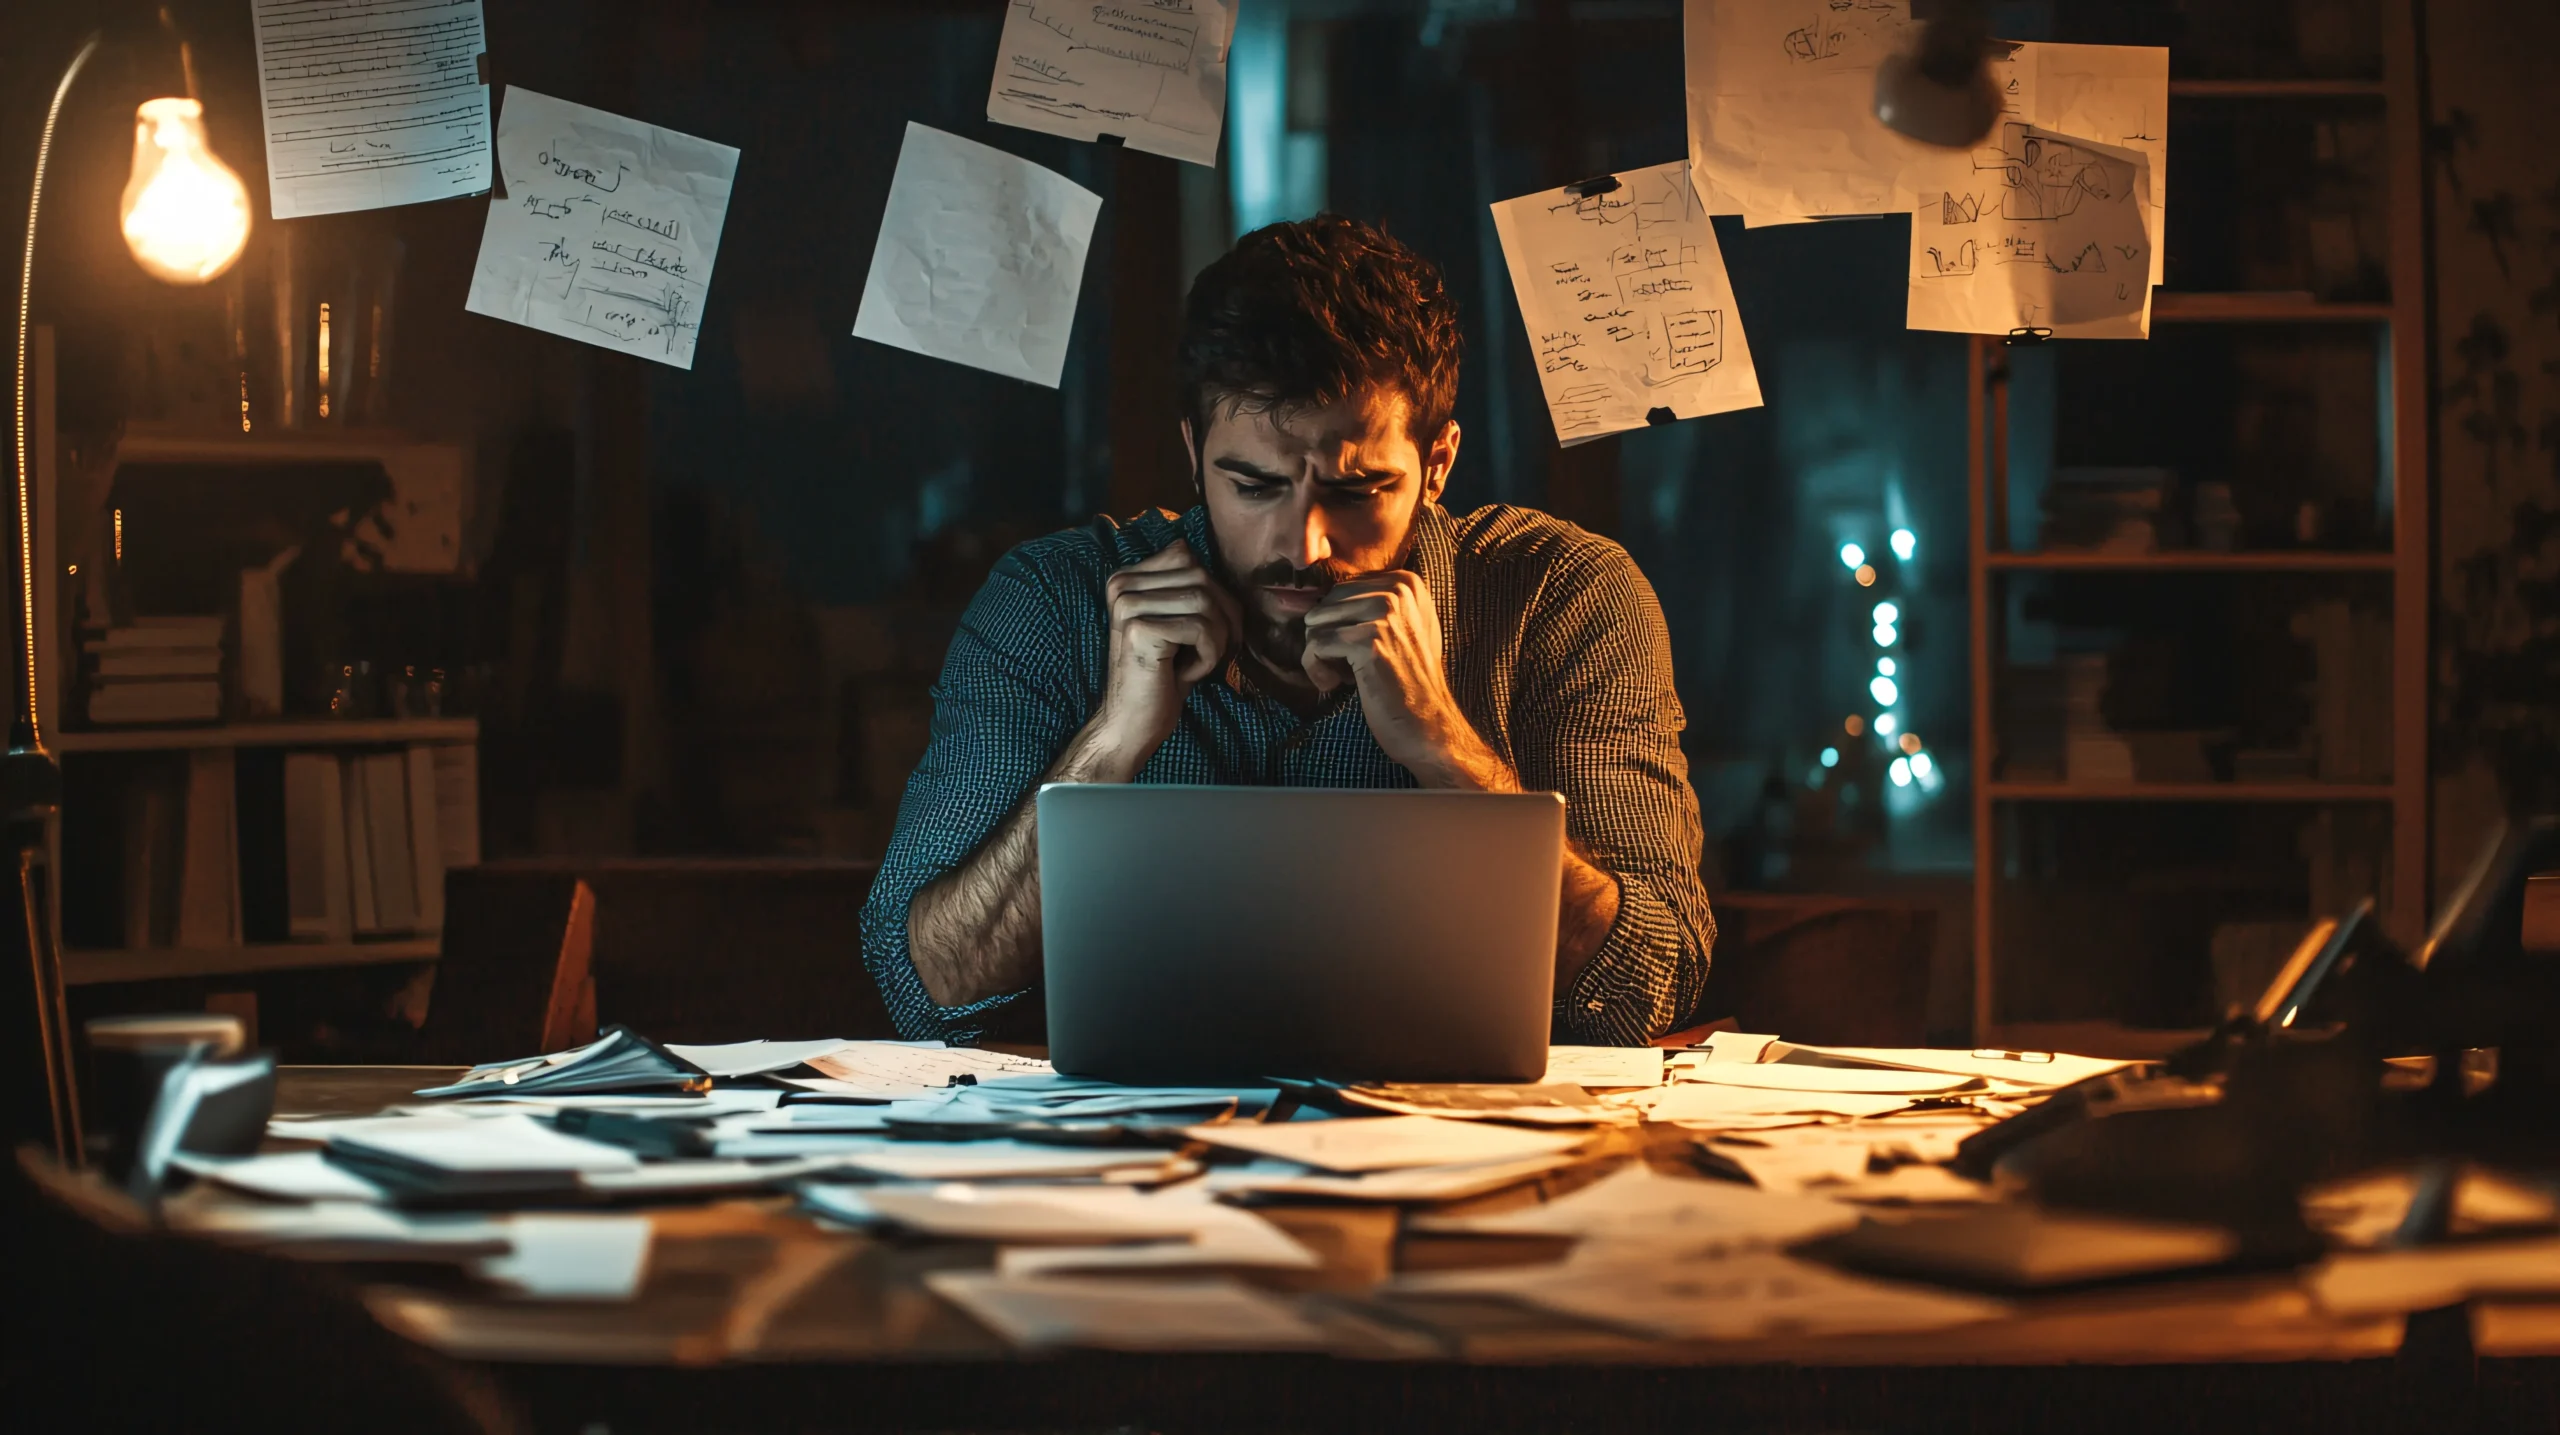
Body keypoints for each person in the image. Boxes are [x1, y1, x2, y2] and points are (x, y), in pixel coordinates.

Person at [860, 214, 1713, 1046]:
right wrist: (1111, 744)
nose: (1302, 545)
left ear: (1439, 463)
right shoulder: (1057, 601)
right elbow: (927, 988)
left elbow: (1649, 982)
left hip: (1462, 1147)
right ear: (1195, 454)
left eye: (1356, 491)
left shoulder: (1562, 597)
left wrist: (1448, 748)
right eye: (1255, 486)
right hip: (1123, 1162)